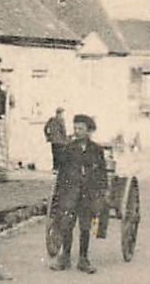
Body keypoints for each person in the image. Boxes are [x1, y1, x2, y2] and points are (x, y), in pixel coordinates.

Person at [50, 113, 108, 274]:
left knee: (84, 227)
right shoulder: (68, 148)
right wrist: (59, 194)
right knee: (67, 225)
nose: (77, 131)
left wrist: (101, 191)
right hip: (71, 193)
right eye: (75, 128)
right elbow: (62, 173)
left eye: (81, 128)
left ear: (89, 131)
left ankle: (83, 259)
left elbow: (102, 172)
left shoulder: (96, 150)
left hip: (88, 194)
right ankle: (65, 257)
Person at [44, 107, 68, 172]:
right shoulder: (61, 120)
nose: (63, 115)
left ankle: (55, 168)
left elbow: (45, 128)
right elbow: (63, 131)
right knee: (60, 155)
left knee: (54, 154)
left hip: (53, 141)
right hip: (60, 141)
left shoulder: (51, 119)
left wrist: (47, 136)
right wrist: (66, 139)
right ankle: (59, 169)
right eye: (62, 113)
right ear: (59, 113)